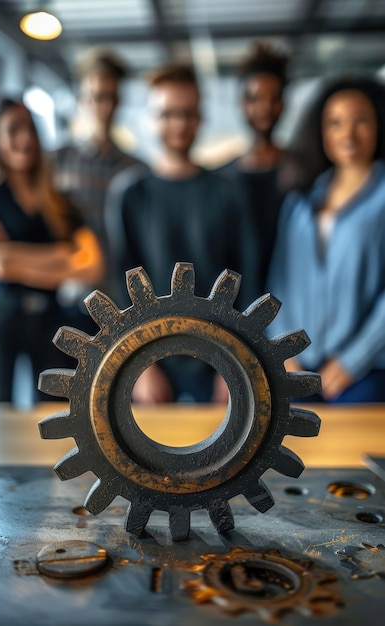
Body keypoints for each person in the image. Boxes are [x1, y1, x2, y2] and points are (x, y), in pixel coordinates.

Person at [106, 63, 258, 404]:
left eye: (188, 113)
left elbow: (248, 280)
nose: (178, 124)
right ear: (150, 118)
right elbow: (121, 284)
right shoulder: (131, 193)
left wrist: (237, 364)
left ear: (200, 117)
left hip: (221, 361)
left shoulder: (229, 191)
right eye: (168, 113)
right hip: (150, 363)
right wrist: (138, 367)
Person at [0, 98, 105, 403]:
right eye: (14, 130)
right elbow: (0, 266)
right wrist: (61, 257)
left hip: (51, 319)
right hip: (1, 316)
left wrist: (19, 258)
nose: (25, 139)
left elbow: (92, 265)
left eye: (30, 129)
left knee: (53, 407)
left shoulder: (60, 202)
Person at [266, 75, 385, 403]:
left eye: (360, 120)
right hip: (298, 367)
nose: (347, 134)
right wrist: (285, 350)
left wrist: (352, 361)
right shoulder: (301, 200)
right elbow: (280, 280)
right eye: (335, 122)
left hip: (365, 371)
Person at [52, 48, 142, 298]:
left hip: (121, 295)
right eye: (96, 96)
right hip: (69, 293)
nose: (104, 106)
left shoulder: (136, 169)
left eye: (111, 97)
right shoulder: (58, 161)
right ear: (81, 100)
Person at [219, 42, 290, 291]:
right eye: (255, 98)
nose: (264, 108)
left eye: (274, 98)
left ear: (284, 103)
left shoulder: (304, 170)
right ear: (242, 104)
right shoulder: (223, 177)